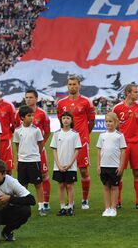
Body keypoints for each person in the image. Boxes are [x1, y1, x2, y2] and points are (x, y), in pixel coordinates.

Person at [56, 76, 95, 209]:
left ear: (79, 86)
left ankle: (85, 200)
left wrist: (83, 136)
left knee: (83, 171)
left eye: (75, 84)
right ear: (67, 86)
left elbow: (91, 121)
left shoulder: (86, 102)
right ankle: (68, 202)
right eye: (70, 84)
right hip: (65, 142)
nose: (72, 86)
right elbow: (61, 120)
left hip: (82, 141)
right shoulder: (61, 103)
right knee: (66, 171)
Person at [15, 89, 52, 211]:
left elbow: (47, 132)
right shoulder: (19, 113)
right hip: (24, 155)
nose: (28, 99)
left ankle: (45, 203)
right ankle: (24, 204)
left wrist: (38, 148)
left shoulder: (42, 114)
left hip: (37, 152)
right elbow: (17, 134)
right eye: (26, 97)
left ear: (36, 99)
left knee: (44, 176)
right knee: (23, 181)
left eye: (31, 97)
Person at [113, 83, 138, 209]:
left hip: (136, 144)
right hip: (122, 145)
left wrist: (135, 137)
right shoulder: (117, 108)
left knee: (137, 172)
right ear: (128, 93)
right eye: (135, 92)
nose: (137, 94)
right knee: (119, 172)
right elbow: (114, 126)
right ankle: (118, 200)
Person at [13, 105, 46, 216]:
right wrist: (20, 157)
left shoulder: (36, 130)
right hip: (22, 161)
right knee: (23, 185)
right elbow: (17, 145)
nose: (31, 117)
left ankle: (41, 206)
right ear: (22, 117)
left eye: (32, 115)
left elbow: (41, 144)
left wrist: (36, 154)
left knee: (38, 184)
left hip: (34, 160)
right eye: (29, 115)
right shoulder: (17, 131)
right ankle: (23, 207)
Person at [50, 111, 82, 216]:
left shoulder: (75, 134)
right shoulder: (56, 133)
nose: (66, 120)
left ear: (71, 120)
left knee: (70, 186)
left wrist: (69, 164)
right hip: (58, 165)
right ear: (61, 120)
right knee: (61, 185)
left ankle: (70, 206)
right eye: (64, 118)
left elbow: (77, 150)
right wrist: (58, 164)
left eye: (68, 118)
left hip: (70, 166)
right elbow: (54, 150)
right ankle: (62, 207)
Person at [96, 112, 126, 217]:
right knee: (106, 187)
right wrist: (98, 165)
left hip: (115, 166)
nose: (108, 124)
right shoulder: (102, 135)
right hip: (104, 166)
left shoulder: (119, 135)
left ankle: (114, 208)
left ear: (116, 122)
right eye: (106, 121)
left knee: (114, 187)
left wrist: (121, 166)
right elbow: (99, 151)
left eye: (110, 121)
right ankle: (107, 208)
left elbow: (123, 151)